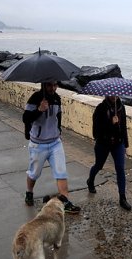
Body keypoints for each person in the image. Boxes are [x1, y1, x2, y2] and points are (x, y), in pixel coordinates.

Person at [22, 81, 81, 214]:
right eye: (50, 85)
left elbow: (58, 115)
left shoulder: (56, 98)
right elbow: (25, 118)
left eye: (55, 85)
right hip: (38, 144)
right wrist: (39, 110)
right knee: (34, 173)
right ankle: (29, 192)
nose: (53, 88)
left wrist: (58, 129)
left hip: (55, 143)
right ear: (44, 85)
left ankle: (65, 201)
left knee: (61, 172)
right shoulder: (35, 98)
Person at [86, 95, 132, 211]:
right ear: (107, 94)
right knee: (99, 165)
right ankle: (90, 180)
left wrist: (125, 144)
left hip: (118, 143)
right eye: (111, 94)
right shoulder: (100, 108)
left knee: (120, 168)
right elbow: (96, 132)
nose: (114, 96)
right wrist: (110, 123)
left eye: (116, 94)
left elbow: (124, 127)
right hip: (103, 143)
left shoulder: (121, 107)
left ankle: (122, 198)